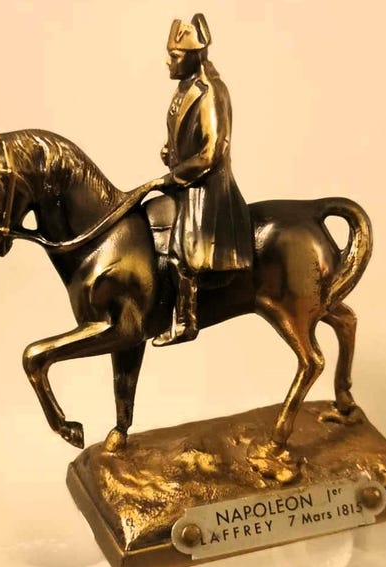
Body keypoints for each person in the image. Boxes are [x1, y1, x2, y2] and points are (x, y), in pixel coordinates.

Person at [153, 13, 252, 347]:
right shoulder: (183, 89)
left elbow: (212, 151)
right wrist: (171, 150)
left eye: (175, 55)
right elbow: (184, 133)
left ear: (194, 56)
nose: (168, 62)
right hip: (187, 181)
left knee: (183, 252)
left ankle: (186, 321)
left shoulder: (210, 91)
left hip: (205, 188)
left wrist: (175, 175)